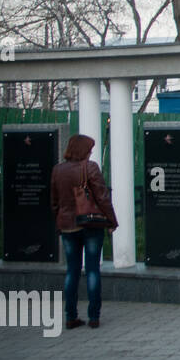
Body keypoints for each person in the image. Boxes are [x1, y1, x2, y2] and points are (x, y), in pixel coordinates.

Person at [49, 134, 119, 329]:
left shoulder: (58, 170)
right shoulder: (90, 168)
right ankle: (94, 316)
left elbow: (54, 202)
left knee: (71, 271)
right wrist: (112, 221)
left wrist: (59, 222)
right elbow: (102, 197)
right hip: (90, 225)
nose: (91, 152)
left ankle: (70, 316)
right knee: (92, 270)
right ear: (82, 150)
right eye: (89, 149)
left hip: (67, 227)